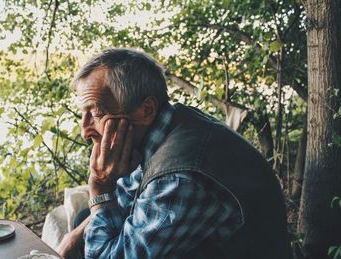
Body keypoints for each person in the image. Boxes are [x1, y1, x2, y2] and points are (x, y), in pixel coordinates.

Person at [57, 48, 291, 259]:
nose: (85, 132)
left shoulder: (179, 178)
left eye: (96, 113)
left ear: (145, 110)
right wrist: (73, 235)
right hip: (205, 239)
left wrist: (99, 187)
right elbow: (129, 194)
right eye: (83, 115)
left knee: (95, 226)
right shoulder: (166, 123)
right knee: (83, 222)